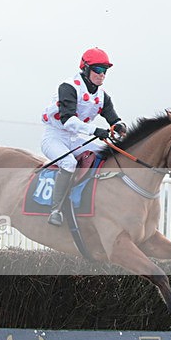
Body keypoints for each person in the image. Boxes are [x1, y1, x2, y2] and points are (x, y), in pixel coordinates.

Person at [40, 47, 127, 226]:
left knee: (108, 153)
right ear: (86, 68)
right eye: (98, 69)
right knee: (69, 163)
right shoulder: (68, 87)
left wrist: (119, 126)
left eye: (105, 71)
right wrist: (95, 130)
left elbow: (113, 118)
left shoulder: (103, 97)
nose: (102, 74)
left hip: (75, 139)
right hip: (54, 136)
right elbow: (68, 120)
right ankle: (56, 209)